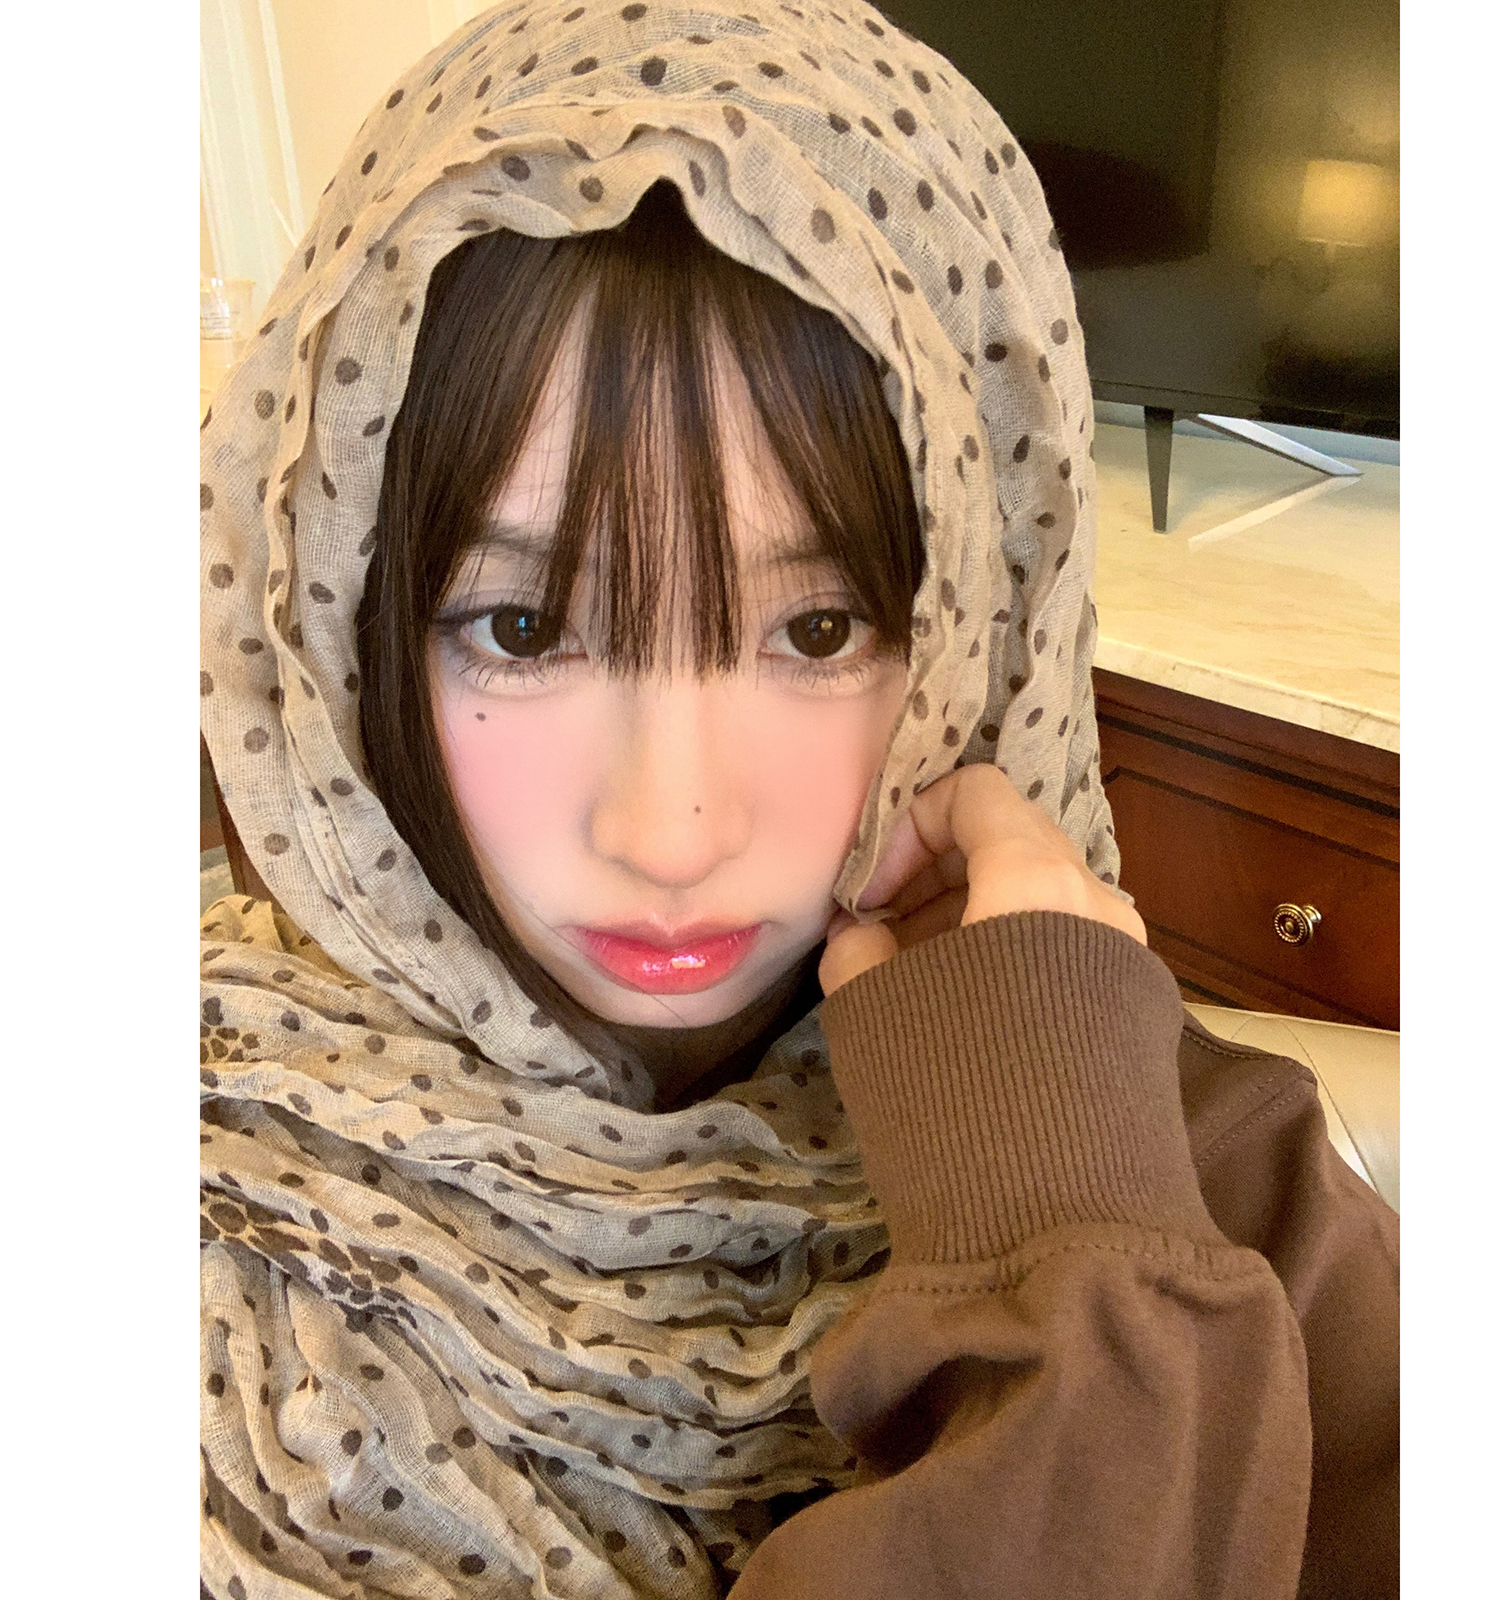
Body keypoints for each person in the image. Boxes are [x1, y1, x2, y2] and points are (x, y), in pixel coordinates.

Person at [199, 5, 1398, 1597]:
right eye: (524, 628)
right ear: (344, 626)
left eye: (817, 631)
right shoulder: (209, 1192)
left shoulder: (1204, 1173)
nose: (671, 831)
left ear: (980, 633)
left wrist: (1077, 1237)